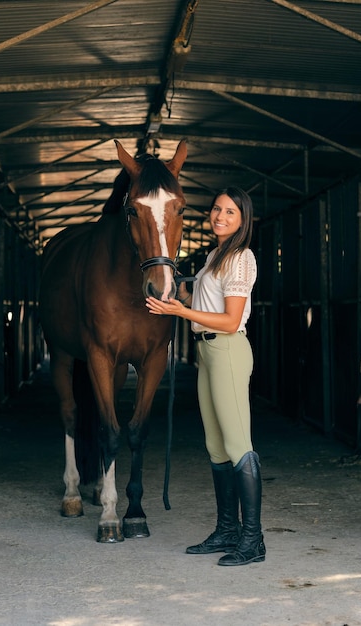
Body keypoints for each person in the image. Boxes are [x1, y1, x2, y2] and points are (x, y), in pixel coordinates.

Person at [146, 186, 265, 567]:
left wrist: (181, 314)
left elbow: (230, 320)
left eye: (230, 212)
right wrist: (176, 294)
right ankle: (227, 529)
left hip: (228, 350)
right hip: (206, 352)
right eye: (217, 209)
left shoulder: (241, 259)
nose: (220, 217)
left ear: (243, 220)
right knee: (216, 446)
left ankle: (253, 539)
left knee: (237, 445)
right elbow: (200, 299)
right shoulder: (215, 256)